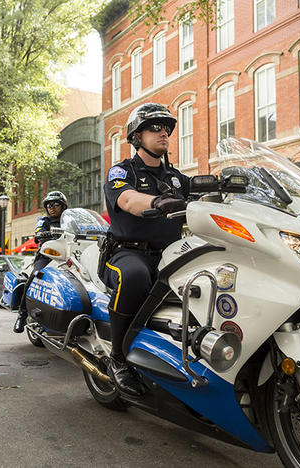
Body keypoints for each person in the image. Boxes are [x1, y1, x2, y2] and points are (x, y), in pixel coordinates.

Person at [101, 103, 190, 396]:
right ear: (137, 136)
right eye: (155, 127)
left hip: (172, 254)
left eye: (166, 127)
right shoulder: (121, 171)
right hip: (128, 252)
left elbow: (207, 194)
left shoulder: (176, 178)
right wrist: (154, 202)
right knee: (135, 277)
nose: (164, 132)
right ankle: (118, 358)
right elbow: (126, 200)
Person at [13, 190, 68, 333]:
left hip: (69, 256)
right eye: (49, 205)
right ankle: (22, 314)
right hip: (47, 257)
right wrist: (41, 234)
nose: (52, 207)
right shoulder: (44, 221)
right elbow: (38, 233)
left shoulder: (69, 221)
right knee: (34, 275)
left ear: (63, 206)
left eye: (56, 204)